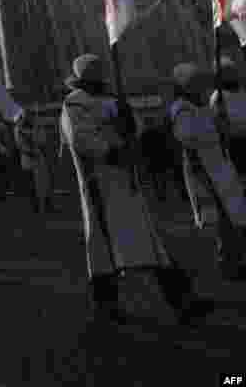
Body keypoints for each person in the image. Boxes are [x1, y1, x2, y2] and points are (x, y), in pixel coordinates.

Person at [61, 54, 213, 325]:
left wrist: (130, 124)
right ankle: (107, 307)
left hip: (127, 184)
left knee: (153, 247)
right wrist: (115, 148)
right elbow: (82, 140)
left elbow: (137, 130)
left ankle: (183, 301)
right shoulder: (74, 104)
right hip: (102, 186)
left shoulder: (113, 101)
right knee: (104, 252)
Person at [173, 62, 246, 279]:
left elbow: (222, 132)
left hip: (220, 164)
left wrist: (222, 122)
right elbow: (187, 137)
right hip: (203, 167)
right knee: (220, 219)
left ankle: (236, 258)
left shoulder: (203, 106)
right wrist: (214, 127)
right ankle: (227, 262)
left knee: (233, 215)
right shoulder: (181, 108)